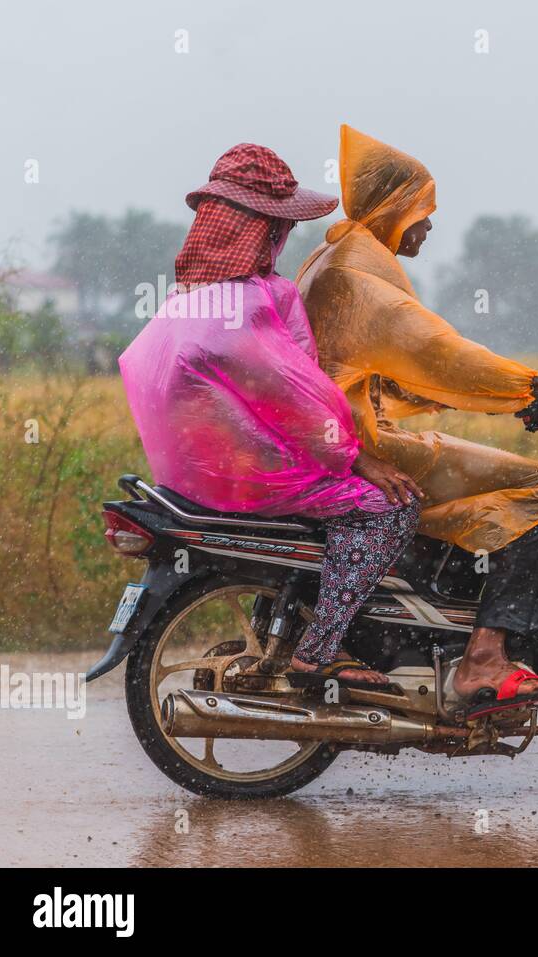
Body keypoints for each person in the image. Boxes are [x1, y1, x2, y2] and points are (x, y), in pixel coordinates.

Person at [297, 125, 538, 708]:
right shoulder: (359, 278)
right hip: (366, 447)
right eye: (423, 210)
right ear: (394, 208)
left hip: (341, 437)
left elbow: (372, 372)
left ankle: (450, 609)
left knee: (467, 460)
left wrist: (441, 398)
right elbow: (445, 356)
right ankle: (484, 659)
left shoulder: (333, 259)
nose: (429, 225)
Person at [118, 143, 423, 689]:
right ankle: (323, 648)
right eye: (278, 228)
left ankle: (287, 623)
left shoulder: (185, 301)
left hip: (189, 481)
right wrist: (355, 458)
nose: (284, 239)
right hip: (253, 481)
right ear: (261, 232)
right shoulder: (253, 302)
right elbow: (303, 400)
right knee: (389, 508)